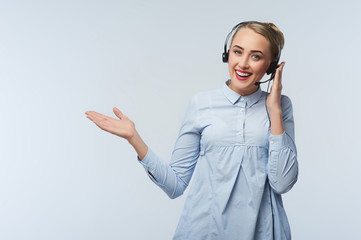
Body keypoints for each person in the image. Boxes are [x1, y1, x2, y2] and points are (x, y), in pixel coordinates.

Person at [85, 21, 298, 240]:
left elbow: (282, 182)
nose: (243, 64)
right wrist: (133, 137)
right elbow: (175, 185)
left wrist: (274, 110)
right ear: (227, 54)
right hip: (205, 231)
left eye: (256, 56)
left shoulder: (281, 107)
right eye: (237, 52)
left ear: (271, 66)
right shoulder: (201, 104)